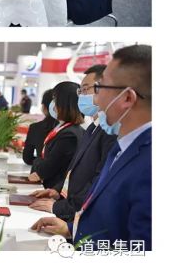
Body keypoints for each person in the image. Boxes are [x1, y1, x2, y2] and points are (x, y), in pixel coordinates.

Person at [31, 45, 151, 250]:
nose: (94, 98)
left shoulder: (150, 162)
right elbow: (110, 217)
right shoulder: (122, 147)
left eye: (100, 88)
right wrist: (72, 229)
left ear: (127, 98)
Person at [29, 66, 115, 219]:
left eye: (85, 89)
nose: (81, 96)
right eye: (80, 91)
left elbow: (97, 181)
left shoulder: (110, 132)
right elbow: (75, 171)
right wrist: (58, 191)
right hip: (70, 207)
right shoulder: (92, 128)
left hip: (78, 214)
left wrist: (61, 207)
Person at [28, 82, 84, 189]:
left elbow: (46, 168)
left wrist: (37, 161)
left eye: (55, 99)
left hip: (53, 190)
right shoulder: (63, 128)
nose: (52, 103)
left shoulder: (69, 135)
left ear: (63, 102)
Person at [23, 89, 57, 165]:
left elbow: (27, 158)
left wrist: (40, 161)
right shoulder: (74, 129)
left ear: (44, 107)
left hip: (41, 171)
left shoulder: (35, 128)